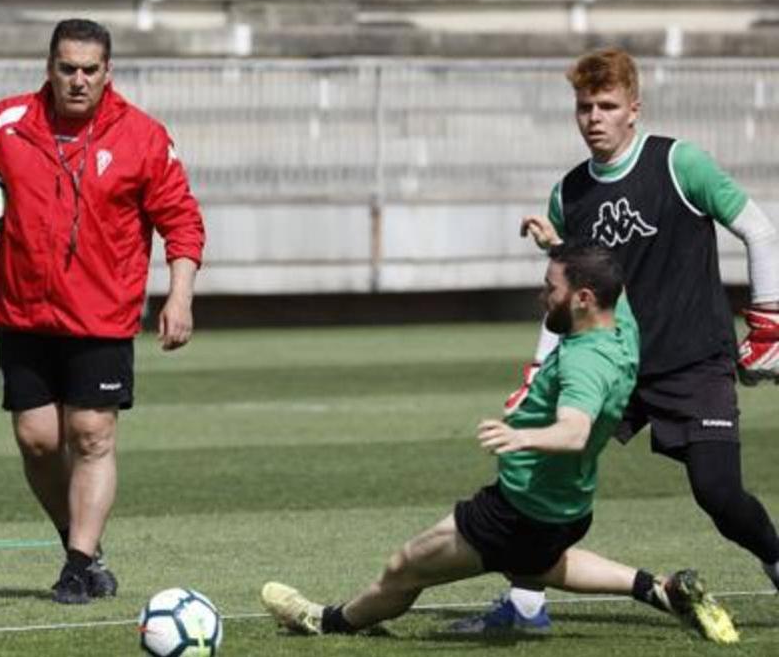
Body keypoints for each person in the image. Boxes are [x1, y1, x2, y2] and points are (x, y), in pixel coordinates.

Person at [260, 242, 739, 644]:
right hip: (567, 508)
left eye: (552, 288)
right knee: (544, 565)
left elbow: (573, 431)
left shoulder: (585, 363)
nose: (542, 295)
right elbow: (613, 278)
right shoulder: (622, 328)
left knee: (405, 567)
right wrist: (559, 239)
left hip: (517, 512)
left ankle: (326, 621)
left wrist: (520, 435)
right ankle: (660, 590)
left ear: (583, 299)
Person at [454, 47, 779, 633]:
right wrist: (537, 371)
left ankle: (776, 560)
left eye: (607, 105)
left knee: (720, 495)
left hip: (694, 360)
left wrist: (767, 322)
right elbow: (561, 296)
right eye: (584, 107)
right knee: (538, 474)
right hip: (611, 364)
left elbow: (759, 230)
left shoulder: (679, 164)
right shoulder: (569, 195)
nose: (594, 118)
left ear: (635, 109)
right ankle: (526, 607)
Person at [0, 18, 205, 604]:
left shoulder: (143, 137)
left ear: (108, 73)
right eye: (67, 68)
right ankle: (87, 548)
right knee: (39, 441)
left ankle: (76, 565)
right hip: (22, 311)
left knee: (91, 433)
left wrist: (180, 295)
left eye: (89, 70)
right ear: (49, 68)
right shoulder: (8, 122)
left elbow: (180, 219)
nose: (77, 80)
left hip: (101, 314)